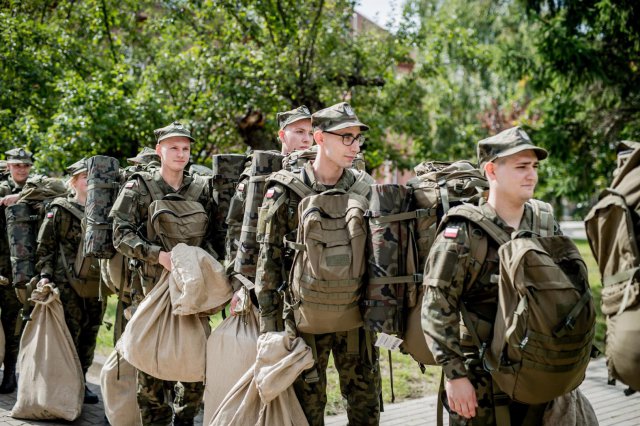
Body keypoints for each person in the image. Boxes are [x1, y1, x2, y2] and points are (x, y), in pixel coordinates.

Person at [421, 126, 560, 425]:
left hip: (539, 371)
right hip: (480, 378)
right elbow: (436, 306)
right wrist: (454, 376)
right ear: (492, 171)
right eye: (521, 167)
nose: (531, 175)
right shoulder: (463, 233)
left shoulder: (545, 224)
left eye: (534, 166)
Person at [254, 102, 381, 425]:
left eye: (357, 138)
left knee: (365, 410)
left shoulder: (365, 189)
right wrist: (271, 330)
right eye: (346, 137)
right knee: (307, 413)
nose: (355, 146)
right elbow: (268, 263)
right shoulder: (285, 190)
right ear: (320, 138)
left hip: (356, 320)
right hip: (303, 321)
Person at [110, 121, 223, 426]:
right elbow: (120, 234)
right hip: (150, 292)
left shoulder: (201, 189)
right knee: (151, 376)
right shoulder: (140, 187)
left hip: (193, 291)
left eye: (185, 148)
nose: (181, 153)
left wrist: (201, 263)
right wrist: (158, 256)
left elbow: (216, 237)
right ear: (159, 150)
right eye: (174, 147)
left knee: (195, 369)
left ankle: (184, 419)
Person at [226, 105, 313, 312]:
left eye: (310, 133)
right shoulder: (260, 173)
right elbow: (238, 229)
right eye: (299, 132)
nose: (306, 139)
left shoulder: (318, 173)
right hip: (262, 278)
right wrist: (241, 285)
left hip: (305, 277)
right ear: (282, 135)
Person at [35, 158, 106, 404]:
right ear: (74, 182)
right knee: (69, 334)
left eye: (93, 177)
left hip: (95, 284)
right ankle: (65, 385)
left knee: (90, 334)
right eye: (86, 177)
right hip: (66, 284)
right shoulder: (61, 209)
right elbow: (46, 246)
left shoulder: (102, 210)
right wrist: (45, 276)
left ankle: (82, 381)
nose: (91, 182)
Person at [0, 148, 34, 393]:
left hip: (17, 271)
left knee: (13, 325)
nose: (22, 169)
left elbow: (61, 188)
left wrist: (22, 196)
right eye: (17, 165)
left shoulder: (37, 188)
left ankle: (10, 374)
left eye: (26, 165)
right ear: (8, 166)